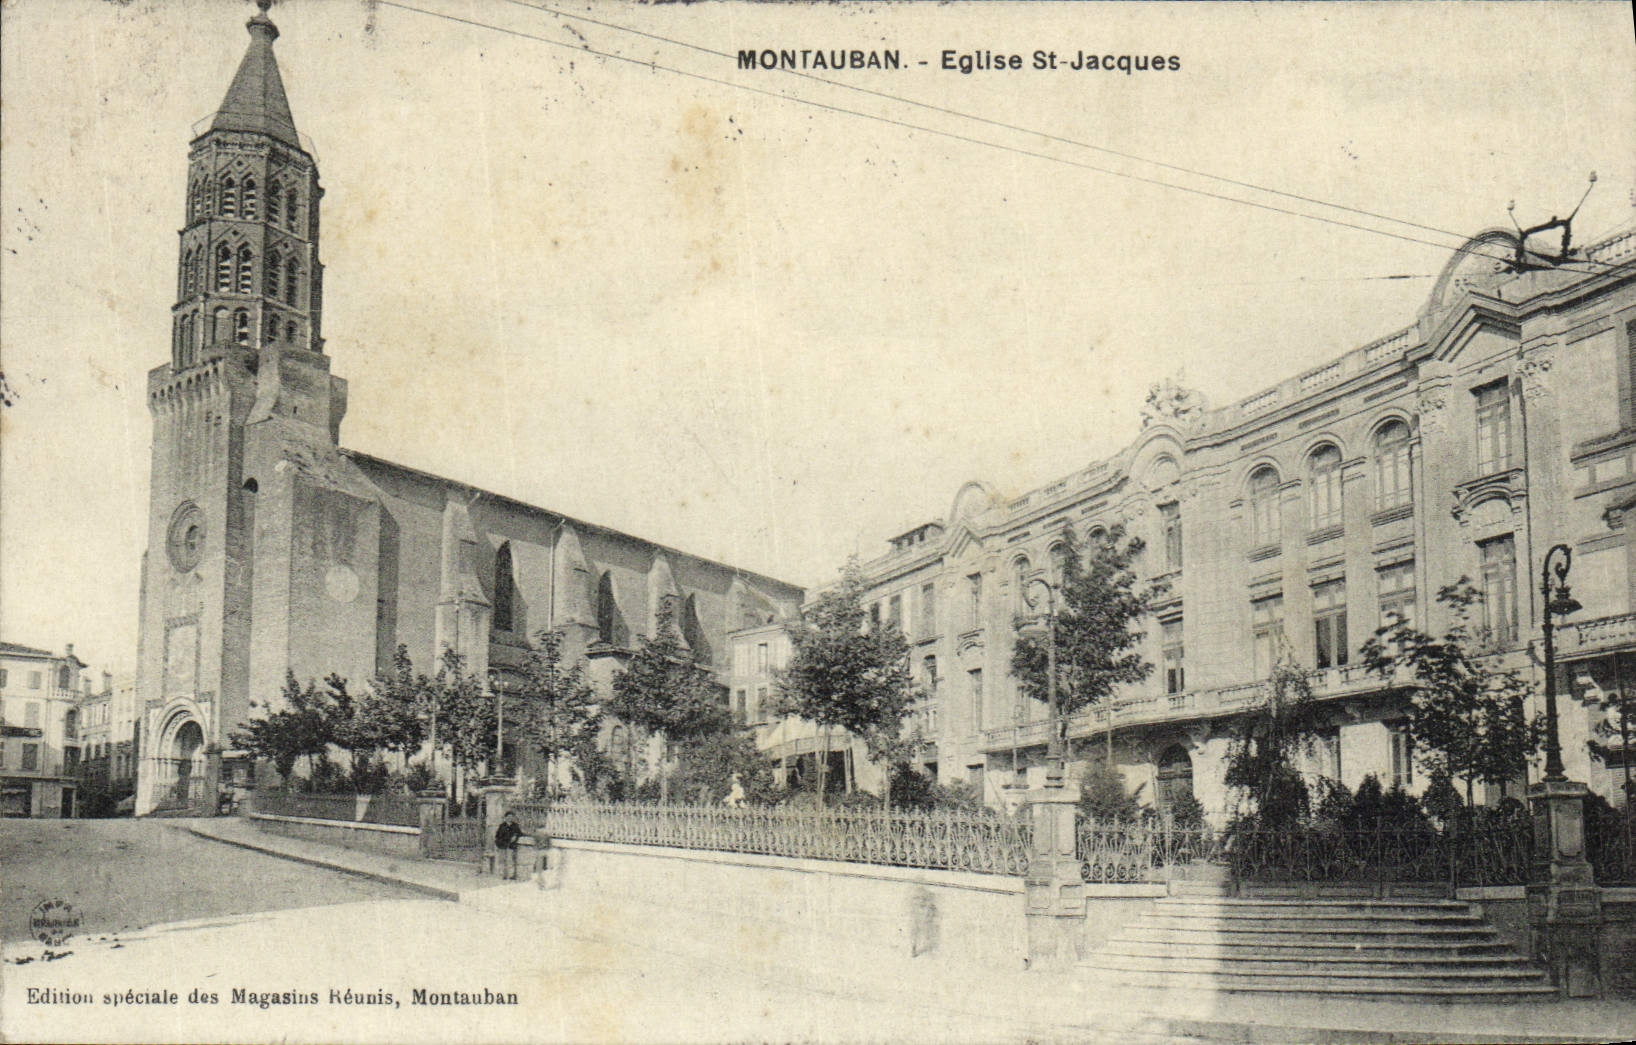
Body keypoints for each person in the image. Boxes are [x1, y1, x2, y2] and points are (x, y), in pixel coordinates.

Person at [494, 811, 522, 880]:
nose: (510, 818)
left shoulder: (515, 826)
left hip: (512, 845)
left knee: (511, 860)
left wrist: (515, 836)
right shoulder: (502, 826)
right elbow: (497, 836)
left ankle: (513, 875)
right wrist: (500, 843)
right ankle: (505, 874)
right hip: (503, 845)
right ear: (505, 818)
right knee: (504, 860)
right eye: (508, 817)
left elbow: (520, 833)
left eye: (511, 817)